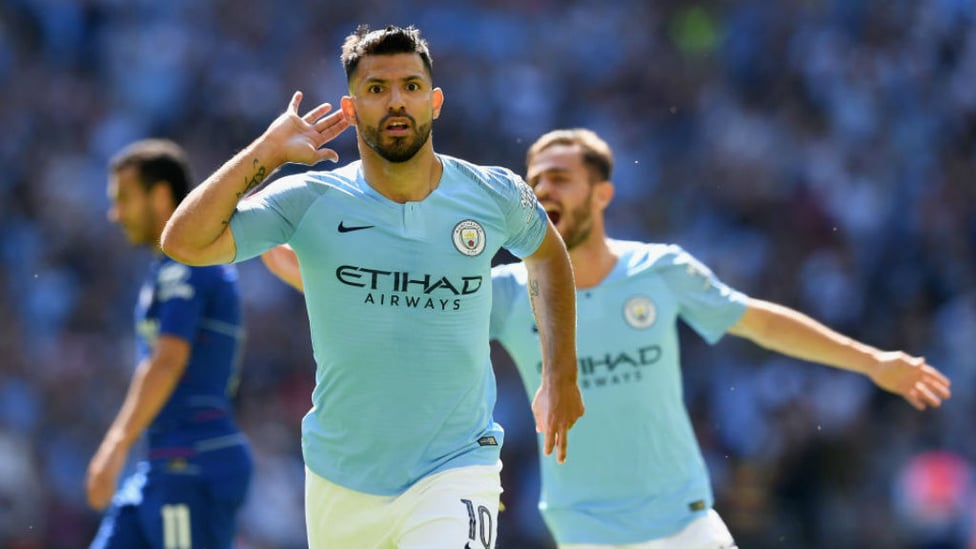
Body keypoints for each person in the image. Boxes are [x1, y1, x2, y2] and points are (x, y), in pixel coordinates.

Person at [262, 127, 954, 549]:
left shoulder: (661, 271)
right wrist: (307, 262)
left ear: (603, 194)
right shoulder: (507, 289)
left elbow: (760, 319)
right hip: (585, 521)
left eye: (560, 178)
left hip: (682, 512)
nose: (543, 190)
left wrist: (874, 361)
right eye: (535, 181)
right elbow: (403, 312)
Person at [160, 25, 584, 549]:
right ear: (351, 107)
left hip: (456, 468)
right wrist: (267, 153)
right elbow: (184, 242)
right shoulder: (310, 199)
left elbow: (546, 254)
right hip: (342, 480)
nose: (396, 102)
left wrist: (560, 371)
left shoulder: (493, 194)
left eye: (410, 85)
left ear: (436, 101)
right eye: (377, 90)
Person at [87, 139, 253, 549]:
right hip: (162, 465)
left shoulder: (190, 263)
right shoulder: (168, 268)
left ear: (160, 196)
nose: (116, 213)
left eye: (124, 198)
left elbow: (168, 360)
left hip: (192, 465)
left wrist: (115, 445)